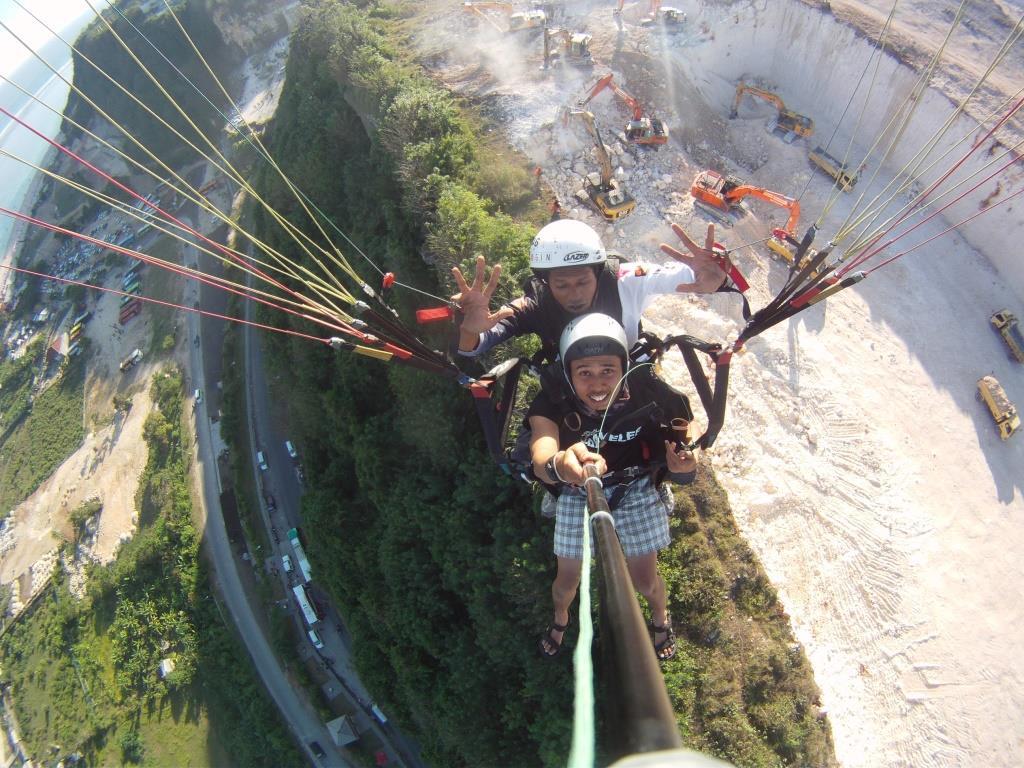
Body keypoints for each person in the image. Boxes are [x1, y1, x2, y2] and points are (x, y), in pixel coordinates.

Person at [527, 313, 698, 662]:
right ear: (568, 375)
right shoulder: (552, 402)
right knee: (566, 583)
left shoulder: (647, 392)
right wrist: (561, 465)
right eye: (584, 373)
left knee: (645, 582)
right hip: (579, 488)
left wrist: (684, 462)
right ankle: (561, 617)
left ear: (624, 368)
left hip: (633, 486)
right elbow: (541, 454)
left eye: (608, 370)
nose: (598, 384)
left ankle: (660, 617)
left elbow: (683, 432)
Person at [451, 218, 729, 362]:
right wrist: (467, 329)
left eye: (583, 282)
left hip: (629, 366)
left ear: (598, 272)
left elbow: (676, 276)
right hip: (573, 385)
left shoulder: (627, 278)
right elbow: (476, 345)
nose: (574, 294)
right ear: (547, 283)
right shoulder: (534, 304)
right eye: (562, 285)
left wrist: (708, 277)